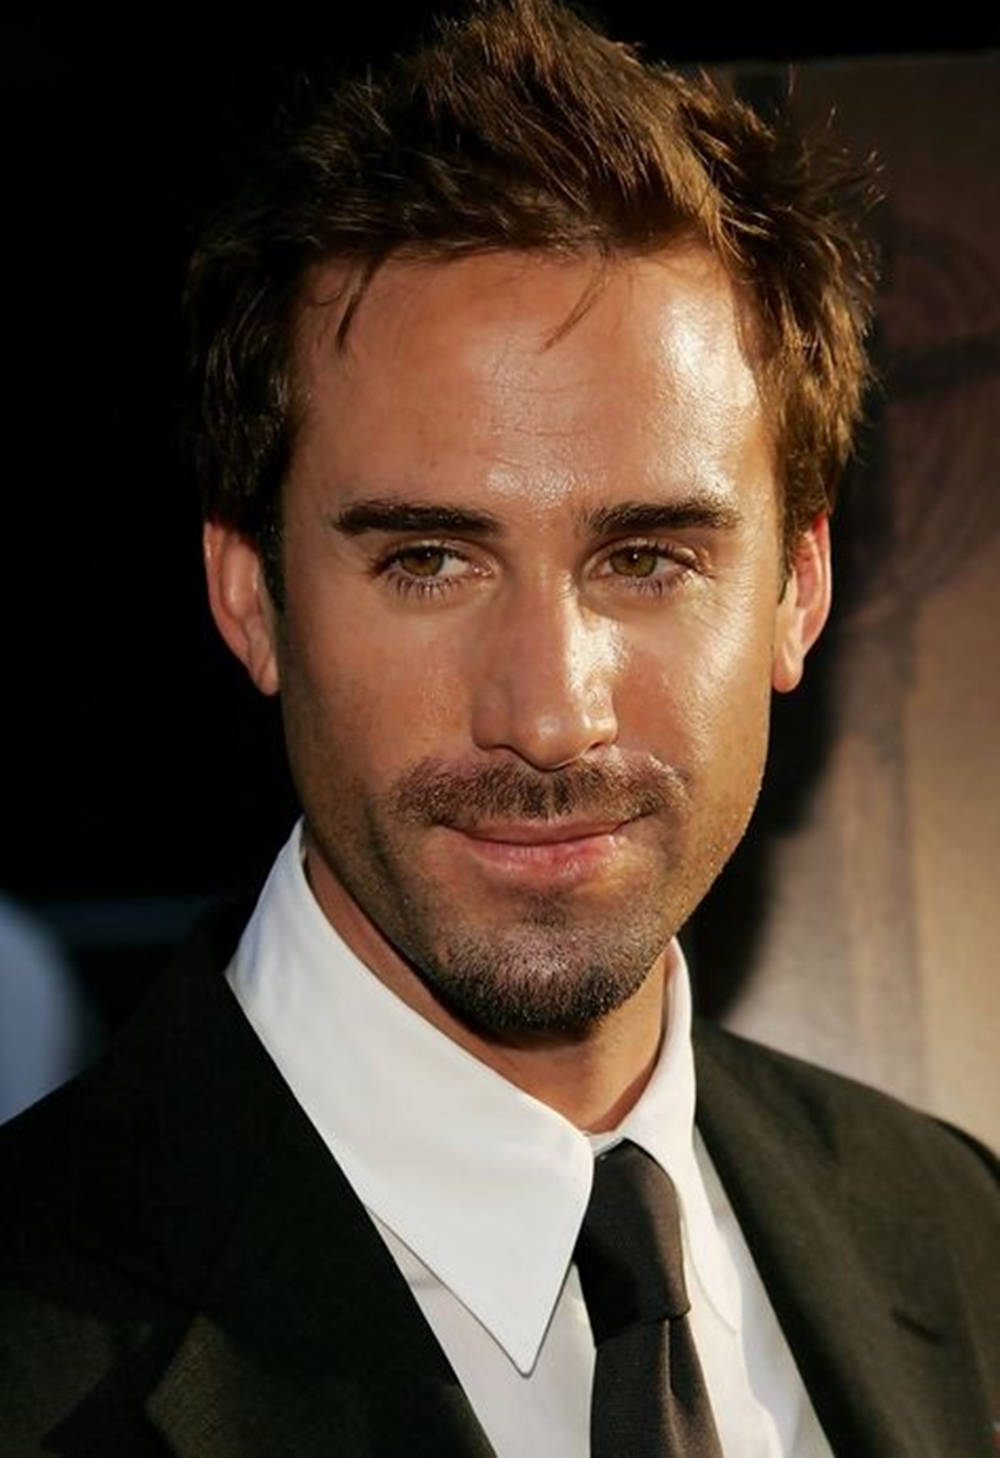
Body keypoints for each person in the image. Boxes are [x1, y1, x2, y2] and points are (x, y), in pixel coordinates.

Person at [2, 3, 996, 1455]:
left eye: (646, 559)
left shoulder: (960, 1238)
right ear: (250, 595)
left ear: (799, 588)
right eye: (428, 561)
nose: (547, 712)